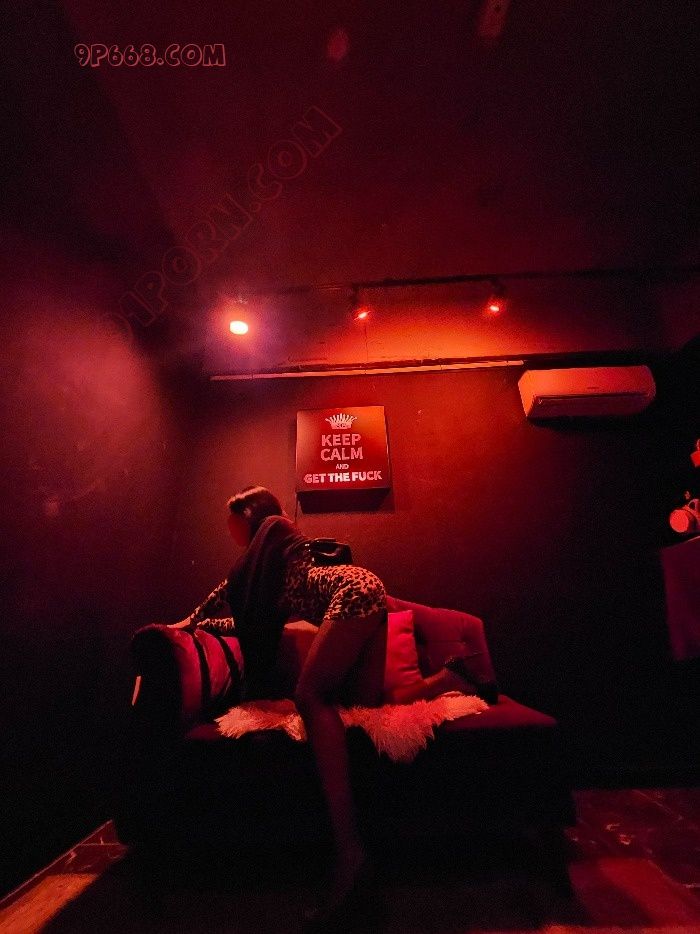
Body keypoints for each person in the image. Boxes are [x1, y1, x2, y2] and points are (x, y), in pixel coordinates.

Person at [174, 485, 494, 924]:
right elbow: (233, 608)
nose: (231, 535)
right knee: (366, 701)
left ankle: (349, 852)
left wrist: (189, 622)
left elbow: (224, 594)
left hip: (356, 593)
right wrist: (200, 624)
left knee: (309, 697)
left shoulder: (276, 544)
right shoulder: (265, 567)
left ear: (250, 518)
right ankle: (454, 678)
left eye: (233, 526)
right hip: (366, 590)